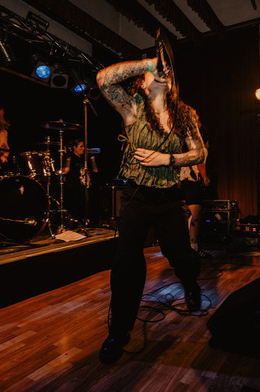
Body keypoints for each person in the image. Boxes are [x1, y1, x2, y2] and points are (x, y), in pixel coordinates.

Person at [96, 55, 205, 363]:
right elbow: (103, 78)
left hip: (169, 197)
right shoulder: (132, 108)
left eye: (165, 70)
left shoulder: (183, 114)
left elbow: (199, 153)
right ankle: (119, 331)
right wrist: (149, 62)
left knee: (179, 253)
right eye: (154, 72)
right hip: (137, 196)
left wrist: (167, 159)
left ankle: (190, 284)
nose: (161, 72)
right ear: (143, 83)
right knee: (127, 262)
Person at [179, 120, 211, 258]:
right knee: (196, 215)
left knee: (191, 215)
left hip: (185, 180)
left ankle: (190, 246)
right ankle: (193, 248)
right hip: (191, 181)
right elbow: (200, 163)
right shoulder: (200, 148)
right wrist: (205, 178)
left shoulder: (189, 146)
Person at [62, 139, 98, 223]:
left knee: (87, 205)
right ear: (75, 147)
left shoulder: (85, 159)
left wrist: (92, 159)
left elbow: (95, 170)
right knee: (76, 207)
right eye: (81, 146)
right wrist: (68, 159)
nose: (83, 148)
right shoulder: (71, 158)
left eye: (84, 147)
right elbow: (65, 171)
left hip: (86, 186)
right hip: (75, 187)